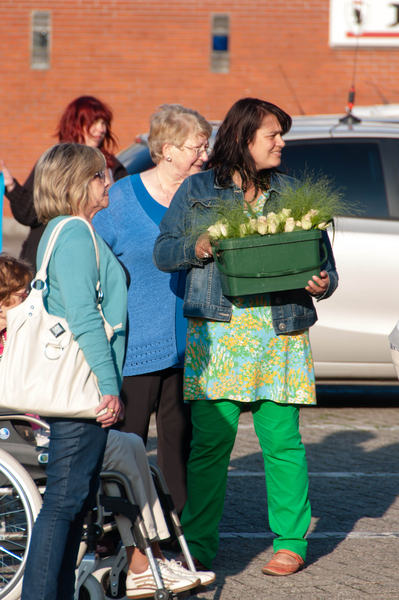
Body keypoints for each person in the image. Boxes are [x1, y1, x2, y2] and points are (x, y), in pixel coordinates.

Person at [153, 98, 339, 576]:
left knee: (282, 442)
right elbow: (163, 252)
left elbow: (326, 269)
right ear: (242, 139)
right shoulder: (197, 189)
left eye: (282, 134)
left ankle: (291, 542)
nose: (282, 143)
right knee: (211, 447)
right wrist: (195, 246)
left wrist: (321, 283)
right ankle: (199, 547)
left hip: (280, 334)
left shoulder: (295, 192)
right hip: (219, 335)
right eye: (272, 135)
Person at [0, 254, 210, 598]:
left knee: (128, 444)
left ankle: (148, 556)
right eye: (22, 295)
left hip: (41, 430)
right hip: (23, 439)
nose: (29, 301)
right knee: (121, 448)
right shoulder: (11, 342)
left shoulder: (17, 335)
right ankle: (144, 562)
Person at [19, 141, 127, 600]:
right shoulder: (76, 234)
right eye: (101, 175)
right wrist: (109, 387)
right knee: (64, 504)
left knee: (73, 504)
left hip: (82, 388)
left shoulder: (63, 231)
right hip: (83, 389)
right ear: (79, 184)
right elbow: (85, 317)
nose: (109, 182)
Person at [94, 103, 213, 517]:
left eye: (205, 146)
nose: (204, 155)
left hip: (190, 349)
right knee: (125, 449)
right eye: (196, 147)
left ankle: (176, 539)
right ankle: (121, 538)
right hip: (134, 350)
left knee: (179, 452)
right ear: (166, 150)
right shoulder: (122, 199)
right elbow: (93, 262)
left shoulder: (204, 199)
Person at [0, 96, 128, 270]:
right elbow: (30, 213)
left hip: (99, 253)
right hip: (53, 257)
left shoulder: (114, 166)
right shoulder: (57, 164)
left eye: (104, 123)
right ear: (75, 123)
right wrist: (10, 185)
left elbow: (126, 210)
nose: (101, 129)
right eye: (94, 122)